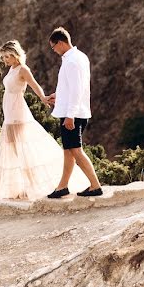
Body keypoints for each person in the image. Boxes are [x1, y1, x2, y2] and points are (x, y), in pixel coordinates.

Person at [0, 40, 88, 200]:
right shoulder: (12, 69)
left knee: (22, 149)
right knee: (12, 150)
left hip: (18, 112)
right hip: (9, 112)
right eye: (3, 57)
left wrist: (43, 98)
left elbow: (34, 85)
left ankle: (33, 186)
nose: (5, 60)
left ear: (15, 55)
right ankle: (20, 187)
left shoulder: (22, 69)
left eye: (7, 57)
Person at [45, 27, 103, 198]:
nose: (53, 50)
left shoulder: (72, 61)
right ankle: (62, 187)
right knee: (68, 151)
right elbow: (73, 86)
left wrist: (70, 115)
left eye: (53, 47)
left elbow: (77, 90)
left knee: (76, 150)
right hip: (74, 110)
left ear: (61, 42)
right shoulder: (79, 57)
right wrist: (59, 96)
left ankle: (95, 185)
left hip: (73, 114)